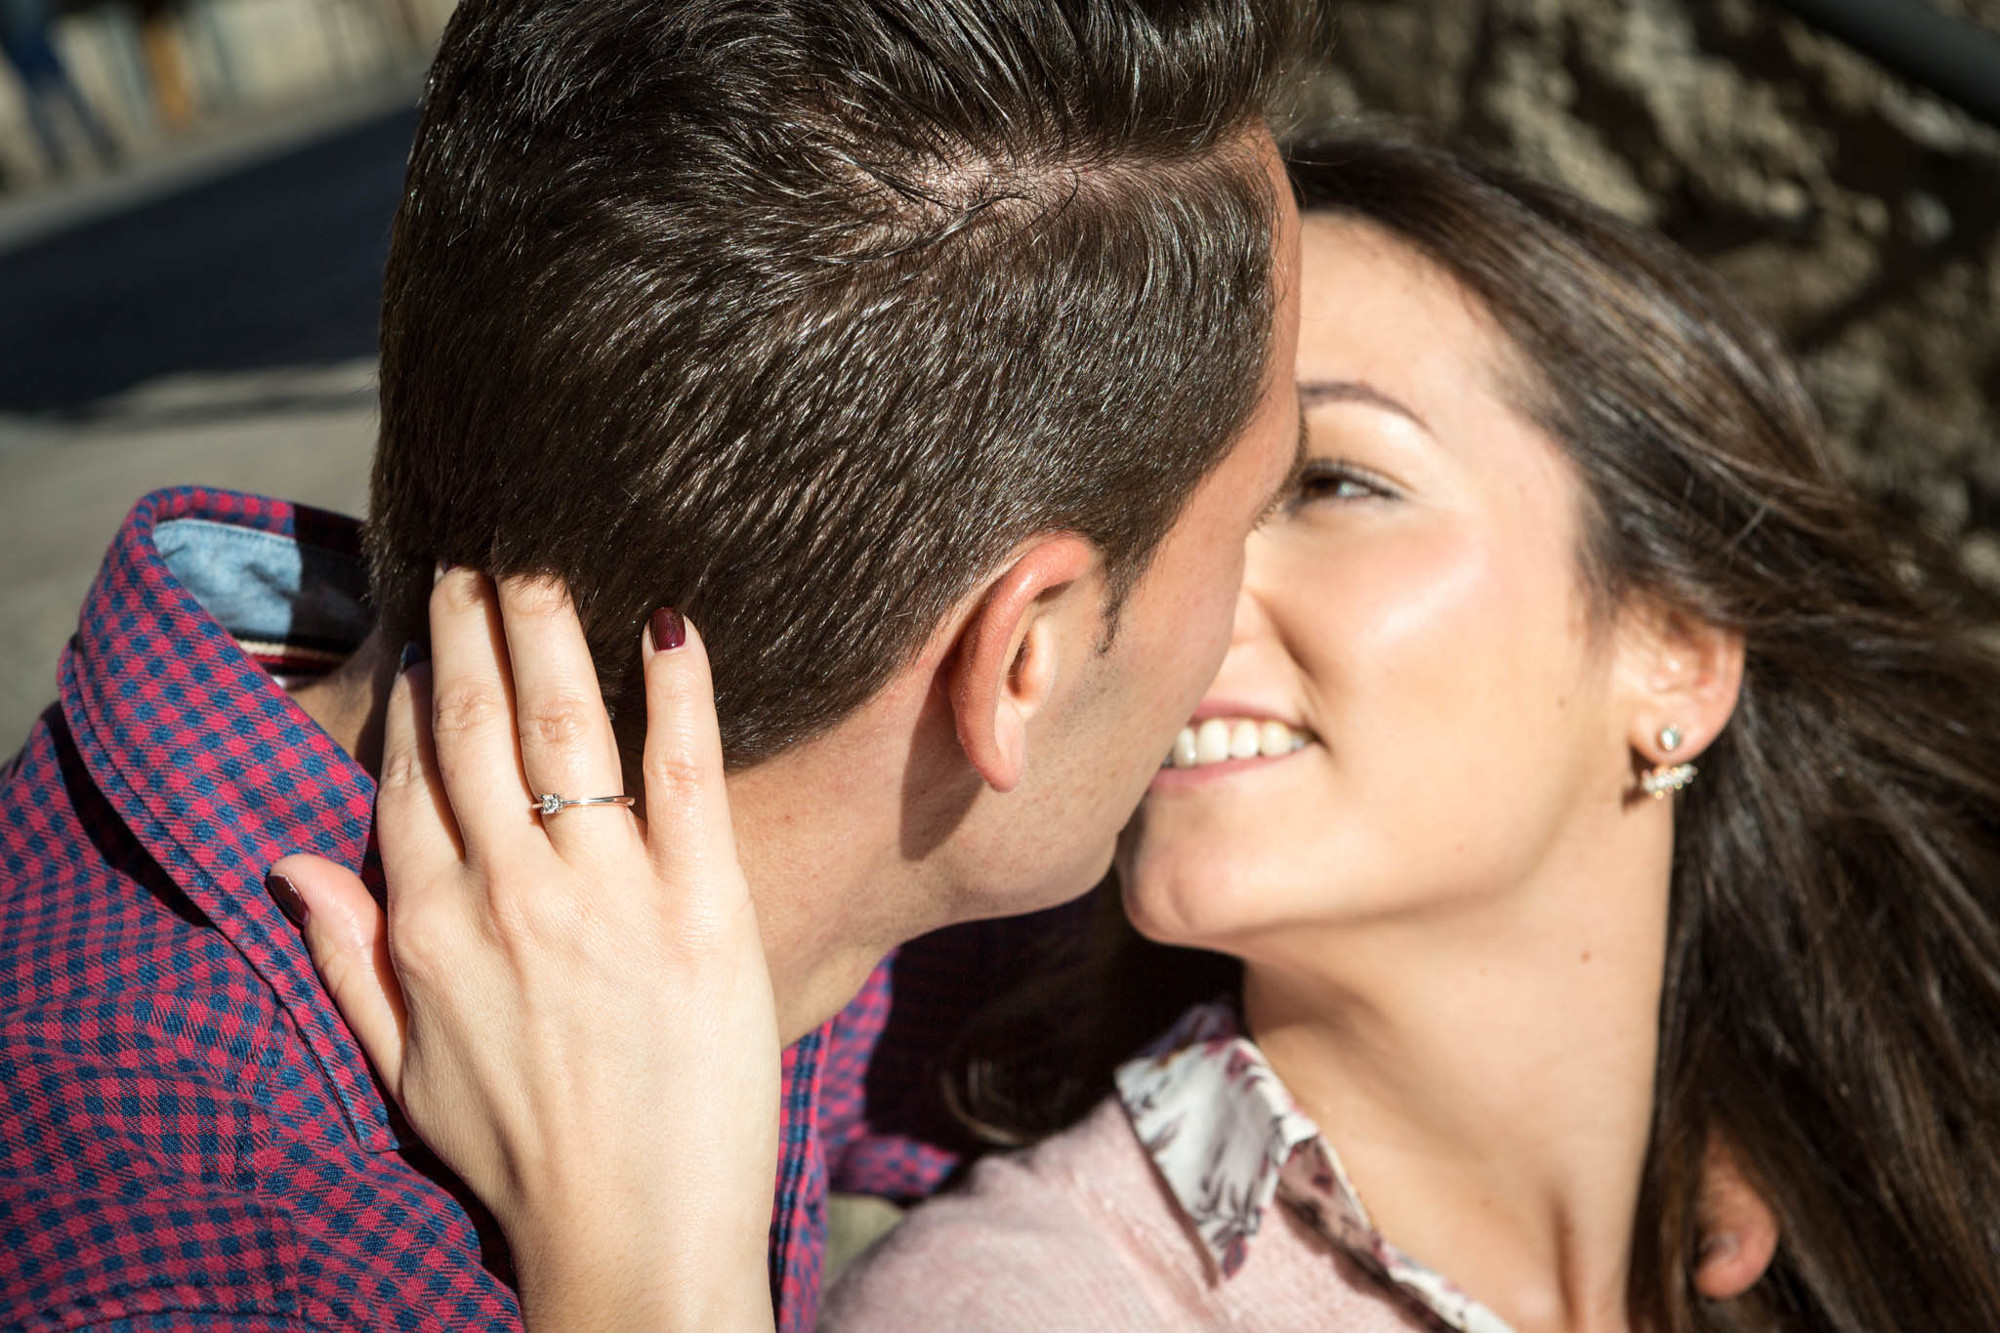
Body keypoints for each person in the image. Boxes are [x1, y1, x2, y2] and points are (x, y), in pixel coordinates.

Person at [0, 0, 1315, 1327]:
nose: (1260, 596)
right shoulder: (160, 1242)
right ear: (1019, 659)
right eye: (1267, 506)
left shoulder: (766, 844)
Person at [809, 135, 2000, 1330]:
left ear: (1675, 650)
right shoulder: (1032, 1304)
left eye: (1332, 483)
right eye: (1142, 516)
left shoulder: (1900, 1213)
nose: (1175, 603)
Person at [0, 0, 119, 176]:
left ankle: (61, 152)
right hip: (24, 30)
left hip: (22, 31)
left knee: (43, 94)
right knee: (54, 91)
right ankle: (85, 144)